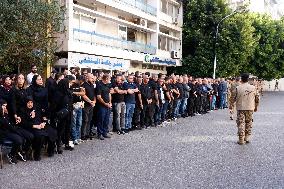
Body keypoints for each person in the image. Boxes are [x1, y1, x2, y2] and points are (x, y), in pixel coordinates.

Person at [229, 73, 260, 145]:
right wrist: (256, 106)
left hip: (240, 108)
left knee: (241, 123)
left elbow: (232, 98)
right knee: (248, 122)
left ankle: (241, 139)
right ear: (248, 79)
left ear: (241, 79)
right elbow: (257, 98)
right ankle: (247, 137)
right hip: (250, 107)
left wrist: (231, 105)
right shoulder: (253, 88)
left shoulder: (238, 88)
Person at [0, 99, 33, 164]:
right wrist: (3, 115)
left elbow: (10, 122)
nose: (5, 107)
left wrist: (16, 120)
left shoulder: (6, 112)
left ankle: (21, 151)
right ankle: (11, 154)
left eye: (5, 106)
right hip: (5, 133)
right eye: (3, 106)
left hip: (13, 128)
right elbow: (6, 124)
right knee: (19, 140)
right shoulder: (2, 114)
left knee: (30, 136)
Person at [96, 74, 112, 140]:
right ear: (106, 79)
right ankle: (99, 134)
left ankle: (104, 133)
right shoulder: (99, 85)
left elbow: (109, 94)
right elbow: (98, 97)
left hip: (108, 105)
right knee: (101, 120)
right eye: (109, 79)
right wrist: (105, 104)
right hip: (101, 106)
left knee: (106, 119)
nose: (110, 80)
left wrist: (110, 102)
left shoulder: (108, 85)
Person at [81, 73, 96, 140]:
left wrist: (94, 101)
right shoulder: (83, 85)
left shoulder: (92, 85)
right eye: (91, 78)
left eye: (93, 78)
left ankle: (87, 133)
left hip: (91, 105)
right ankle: (83, 134)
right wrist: (90, 101)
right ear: (87, 77)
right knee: (85, 120)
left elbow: (94, 94)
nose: (93, 79)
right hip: (86, 105)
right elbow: (83, 95)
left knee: (89, 120)